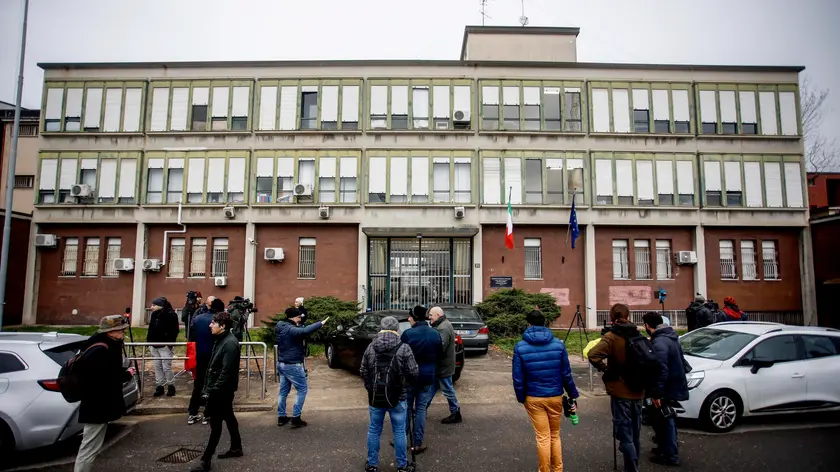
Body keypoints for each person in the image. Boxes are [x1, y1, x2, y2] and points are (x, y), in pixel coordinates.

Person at [512, 310, 579, 472]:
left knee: (543, 437)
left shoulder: (520, 347)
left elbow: (518, 378)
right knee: (555, 435)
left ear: (528, 324)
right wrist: (572, 394)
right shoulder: (558, 344)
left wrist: (522, 398)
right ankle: (558, 469)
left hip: (533, 398)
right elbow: (566, 373)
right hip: (555, 395)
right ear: (545, 323)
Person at [587, 304, 646, 472]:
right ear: (629, 316)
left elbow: (593, 354)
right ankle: (634, 464)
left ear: (612, 317)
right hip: (639, 389)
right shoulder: (639, 335)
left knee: (625, 433)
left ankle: (631, 468)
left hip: (621, 390)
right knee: (635, 433)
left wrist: (606, 369)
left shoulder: (612, 337)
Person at [74, 315, 136, 472]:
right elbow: (103, 377)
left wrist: (124, 372)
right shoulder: (99, 350)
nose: (123, 333)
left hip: (99, 404)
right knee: (89, 447)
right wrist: (126, 374)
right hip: (96, 405)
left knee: (92, 445)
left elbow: (108, 372)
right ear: (111, 332)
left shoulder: (102, 345)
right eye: (121, 330)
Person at [361, 316, 419, 472]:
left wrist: (371, 388)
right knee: (399, 431)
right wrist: (405, 384)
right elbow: (414, 373)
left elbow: (363, 371)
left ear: (381, 328)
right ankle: (402, 466)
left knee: (374, 429)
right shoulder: (404, 347)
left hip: (375, 396)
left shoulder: (371, 347)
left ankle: (372, 465)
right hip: (398, 397)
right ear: (396, 329)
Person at [191, 312, 244, 472]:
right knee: (228, 416)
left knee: (216, 424)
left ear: (223, 326)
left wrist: (213, 391)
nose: (210, 325)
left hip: (221, 391)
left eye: (213, 323)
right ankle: (236, 447)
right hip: (220, 389)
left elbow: (226, 372)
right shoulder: (221, 340)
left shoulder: (229, 344)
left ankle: (205, 460)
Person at [643, 312, 689, 466]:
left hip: (666, 388)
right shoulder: (669, 337)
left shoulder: (660, 343)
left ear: (648, 326)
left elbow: (661, 370)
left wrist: (657, 393)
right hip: (672, 385)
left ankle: (670, 455)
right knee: (663, 418)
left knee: (666, 419)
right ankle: (665, 448)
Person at [276, 307, 328, 427]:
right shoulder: (291, 329)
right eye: (299, 317)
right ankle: (296, 418)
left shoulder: (281, 325)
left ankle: (281, 417)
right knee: (302, 389)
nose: (300, 319)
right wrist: (320, 323)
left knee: (283, 391)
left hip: (282, 363)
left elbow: (298, 331)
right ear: (293, 317)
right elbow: (303, 332)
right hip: (292, 364)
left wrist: (300, 325)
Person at [398, 305, 440, 454]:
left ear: (414, 318)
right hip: (428, 376)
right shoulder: (435, 333)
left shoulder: (408, 334)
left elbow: (400, 356)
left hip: (410, 377)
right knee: (421, 409)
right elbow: (439, 353)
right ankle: (417, 443)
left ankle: (401, 439)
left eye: (410, 316)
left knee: (406, 408)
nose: (408, 318)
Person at [188, 298, 225, 425]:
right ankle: (208, 414)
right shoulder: (219, 320)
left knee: (198, 385)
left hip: (200, 355)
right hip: (215, 356)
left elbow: (191, 337)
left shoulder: (198, 319)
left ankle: (192, 412)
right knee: (213, 385)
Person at [428, 306, 462, 424]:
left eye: (431, 315)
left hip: (443, 366)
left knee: (447, 389)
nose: (429, 317)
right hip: (441, 365)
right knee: (431, 388)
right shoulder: (442, 325)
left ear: (438, 315)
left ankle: (455, 413)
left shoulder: (443, 327)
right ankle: (421, 410)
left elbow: (440, 346)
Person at [147, 296, 180, 397]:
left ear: (160, 306)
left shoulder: (171, 315)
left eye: (154, 305)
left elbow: (174, 331)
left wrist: (169, 344)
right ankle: (159, 386)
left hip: (165, 345)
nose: (151, 307)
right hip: (154, 345)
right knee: (157, 366)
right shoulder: (154, 314)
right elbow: (151, 328)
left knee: (166, 367)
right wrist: (149, 341)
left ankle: (171, 385)